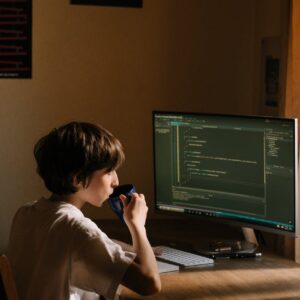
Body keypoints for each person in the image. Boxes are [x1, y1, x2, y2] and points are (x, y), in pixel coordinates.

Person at [7, 121, 161, 300]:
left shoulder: (25, 213)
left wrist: (117, 246)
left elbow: (66, 244)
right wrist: (137, 226)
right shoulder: (77, 230)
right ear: (77, 179)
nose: (116, 181)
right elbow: (150, 284)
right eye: (109, 171)